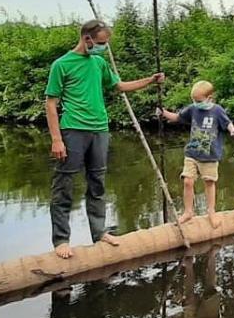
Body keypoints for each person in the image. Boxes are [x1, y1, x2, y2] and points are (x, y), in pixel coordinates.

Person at [45, 19, 164, 259]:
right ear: (87, 38)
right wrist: (57, 139)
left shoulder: (98, 63)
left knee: (97, 183)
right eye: (100, 42)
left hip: (100, 129)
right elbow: (50, 103)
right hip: (73, 129)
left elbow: (119, 86)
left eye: (106, 43)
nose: (103, 47)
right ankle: (61, 240)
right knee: (64, 185)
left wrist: (150, 81)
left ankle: (99, 233)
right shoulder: (62, 64)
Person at [157, 80, 234, 228]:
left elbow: (227, 123)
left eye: (199, 101)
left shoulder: (217, 110)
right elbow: (177, 117)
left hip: (210, 156)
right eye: (194, 100)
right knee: (187, 181)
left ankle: (211, 211)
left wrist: (232, 131)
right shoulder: (193, 109)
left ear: (209, 98)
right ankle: (188, 212)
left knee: (209, 182)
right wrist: (164, 113)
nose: (196, 103)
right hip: (192, 153)